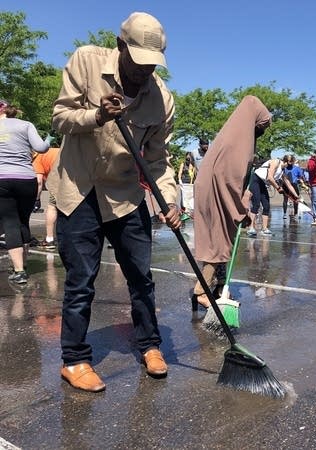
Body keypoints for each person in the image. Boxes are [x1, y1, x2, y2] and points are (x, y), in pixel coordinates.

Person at [47, 12, 180, 392]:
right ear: (121, 46)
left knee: (141, 277)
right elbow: (60, 118)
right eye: (138, 62)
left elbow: (157, 159)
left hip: (125, 195)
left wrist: (169, 200)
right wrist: (97, 115)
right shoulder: (86, 61)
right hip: (79, 189)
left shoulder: (161, 99)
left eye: (151, 64)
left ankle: (150, 346)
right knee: (81, 281)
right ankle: (74, 360)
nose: (144, 72)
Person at [192, 95, 272, 308]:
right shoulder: (239, 143)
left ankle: (218, 288)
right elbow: (231, 178)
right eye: (261, 125)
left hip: (211, 190)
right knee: (218, 242)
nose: (261, 131)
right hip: (218, 193)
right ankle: (201, 291)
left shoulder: (230, 136)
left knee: (221, 239)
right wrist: (242, 206)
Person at [0, 99, 50, 283]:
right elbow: (41, 148)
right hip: (26, 178)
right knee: (23, 221)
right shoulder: (26, 125)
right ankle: (24, 263)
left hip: (2, 179)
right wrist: (49, 140)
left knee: (9, 222)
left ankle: (19, 271)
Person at [247, 154, 300, 236]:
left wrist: (296, 196)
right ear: (287, 162)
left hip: (263, 184)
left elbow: (288, 184)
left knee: (266, 205)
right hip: (256, 180)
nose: (291, 166)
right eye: (291, 164)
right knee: (256, 204)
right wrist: (278, 188)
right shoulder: (276, 162)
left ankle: (264, 229)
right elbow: (270, 177)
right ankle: (251, 228)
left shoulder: (282, 171)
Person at [32, 146, 61, 249]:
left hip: (61, 176)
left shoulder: (37, 158)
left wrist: (37, 199)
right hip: (75, 173)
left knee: (52, 207)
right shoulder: (49, 151)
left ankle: (49, 239)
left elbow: (39, 182)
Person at [282, 155, 307, 220]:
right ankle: (285, 213)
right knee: (285, 199)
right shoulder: (284, 168)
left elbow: (301, 177)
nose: (289, 162)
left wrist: (303, 183)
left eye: (290, 161)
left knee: (295, 199)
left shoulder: (297, 168)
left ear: (293, 161)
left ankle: (295, 213)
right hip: (285, 185)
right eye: (288, 161)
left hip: (294, 184)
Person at [178, 151, 196, 220]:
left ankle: (190, 212)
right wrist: (180, 180)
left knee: (191, 197)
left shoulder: (193, 164)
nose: (188, 158)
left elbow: (193, 174)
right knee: (184, 197)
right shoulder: (183, 164)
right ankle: (184, 212)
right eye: (187, 156)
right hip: (184, 182)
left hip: (191, 183)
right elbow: (180, 173)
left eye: (189, 157)